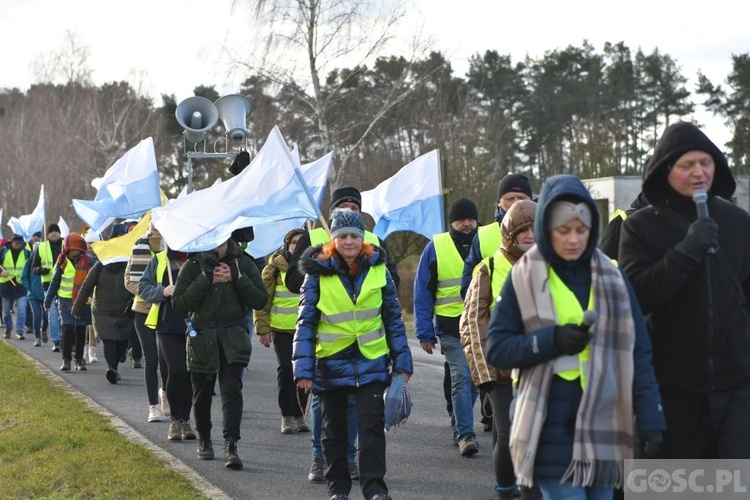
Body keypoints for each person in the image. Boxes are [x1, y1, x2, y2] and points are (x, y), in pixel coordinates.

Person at [486, 174, 665, 498]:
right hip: (548, 427)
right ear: (546, 230)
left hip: (604, 428)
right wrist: (551, 341)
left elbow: (638, 350)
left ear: (592, 228)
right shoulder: (522, 277)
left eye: (581, 230)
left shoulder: (613, 275)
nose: (573, 239)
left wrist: (651, 414)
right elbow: (497, 349)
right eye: (563, 230)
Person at [619, 121, 750, 458]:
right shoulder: (640, 226)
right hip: (671, 391)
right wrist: (687, 250)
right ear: (666, 170)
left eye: (705, 163)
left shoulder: (737, 221)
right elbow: (636, 296)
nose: (698, 173)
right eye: (686, 165)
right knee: (678, 487)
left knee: (733, 487)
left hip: (736, 387)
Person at [293, 208, 412, 500]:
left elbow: (393, 319)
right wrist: (304, 370)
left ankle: (374, 490)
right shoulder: (317, 274)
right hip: (331, 363)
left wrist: (403, 361)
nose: (349, 242)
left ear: (363, 238)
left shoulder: (379, 269)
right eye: (343, 236)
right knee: (333, 433)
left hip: (371, 361)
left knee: (371, 429)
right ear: (333, 240)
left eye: (354, 236)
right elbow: (306, 323)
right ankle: (339, 490)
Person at [460, 199, 536, 500]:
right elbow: (471, 325)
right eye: (523, 230)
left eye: (534, 229)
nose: (529, 235)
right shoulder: (488, 268)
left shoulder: (555, 265)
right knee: (507, 437)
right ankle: (505, 490)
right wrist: (485, 373)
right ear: (511, 234)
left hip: (540, 368)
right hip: (502, 371)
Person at [172, 237, 267, 469]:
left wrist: (237, 278)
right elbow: (179, 303)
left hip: (233, 337)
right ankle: (204, 439)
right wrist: (206, 280)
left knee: (231, 391)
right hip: (202, 338)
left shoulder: (244, 263)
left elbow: (260, 299)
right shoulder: (193, 265)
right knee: (202, 394)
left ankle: (231, 445)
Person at [414, 197, 480, 456]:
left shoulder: (486, 241)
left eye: (471, 218)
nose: (467, 223)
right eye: (461, 219)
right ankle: (465, 434)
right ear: (451, 222)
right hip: (450, 328)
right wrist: (424, 332)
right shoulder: (435, 247)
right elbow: (422, 292)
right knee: (462, 376)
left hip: (479, 326)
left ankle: (458, 421)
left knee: (475, 381)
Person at [254, 228, 310, 434]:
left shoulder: (311, 266)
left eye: (301, 241)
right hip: (281, 330)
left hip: (305, 330)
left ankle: (299, 415)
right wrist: (263, 329)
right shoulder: (274, 268)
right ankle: (287, 415)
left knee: (304, 370)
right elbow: (262, 301)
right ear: (287, 245)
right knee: (287, 369)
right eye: (294, 242)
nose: (297, 245)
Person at [138, 245, 196, 442]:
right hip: (167, 325)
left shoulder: (199, 257)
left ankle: (185, 420)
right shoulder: (159, 260)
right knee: (177, 370)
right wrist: (162, 291)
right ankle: (174, 420)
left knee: (190, 373)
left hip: (195, 324)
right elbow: (143, 288)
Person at [72, 233, 133, 384]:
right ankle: (112, 369)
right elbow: (86, 287)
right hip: (102, 312)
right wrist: (77, 308)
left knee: (120, 342)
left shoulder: (129, 267)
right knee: (109, 341)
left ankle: (116, 362)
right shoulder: (99, 267)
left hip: (124, 312)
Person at [124, 221, 170, 421]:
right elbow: (129, 281)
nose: (158, 230)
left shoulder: (172, 249)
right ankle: (153, 406)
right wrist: (153, 294)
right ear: (149, 228)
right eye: (155, 227)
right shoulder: (138, 247)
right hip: (143, 310)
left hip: (167, 311)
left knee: (167, 360)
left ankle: (166, 393)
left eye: (162, 226)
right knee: (151, 360)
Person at [460, 173, 533, 298]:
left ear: (530, 200)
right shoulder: (482, 236)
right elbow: (467, 285)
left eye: (521, 197)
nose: (516, 203)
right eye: (510, 199)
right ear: (499, 202)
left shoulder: (545, 231)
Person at [44, 233, 95, 372]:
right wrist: (47, 302)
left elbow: (93, 282)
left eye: (75, 249)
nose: (73, 251)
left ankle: (79, 360)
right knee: (67, 329)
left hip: (82, 301)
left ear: (81, 249)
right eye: (70, 249)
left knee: (80, 330)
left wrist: (91, 297)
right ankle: (66, 360)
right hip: (64, 301)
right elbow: (54, 282)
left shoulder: (88, 261)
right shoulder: (62, 261)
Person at [31, 223, 64, 351]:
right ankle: (56, 340)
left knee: (65, 315)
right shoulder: (41, 247)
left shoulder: (66, 245)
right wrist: (41, 270)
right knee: (52, 315)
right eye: (51, 231)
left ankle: (66, 339)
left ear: (60, 233)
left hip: (65, 284)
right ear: (48, 234)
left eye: (56, 231)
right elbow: (34, 267)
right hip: (48, 285)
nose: (54, 233)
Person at [1, 234, 31, 340]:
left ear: (22, 244)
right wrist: (1, 272)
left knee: (22, 309)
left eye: (20, 243)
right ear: (11, 242)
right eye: (16, 242)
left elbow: (31, 268)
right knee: (6, 311)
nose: (17, 244)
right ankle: (8, 328)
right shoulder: (3, 252)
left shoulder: (27, 253)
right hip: (6, 285)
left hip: (21, 286)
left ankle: (19, 331)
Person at [22, 242, 45, 346]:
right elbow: (24, 277)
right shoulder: (29, 262)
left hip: (45, 292)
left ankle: (44, 330)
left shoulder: (46, 262)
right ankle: (37, 337)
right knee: (37, 315)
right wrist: (29, 288)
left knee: (46, 316)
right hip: (32, 294)